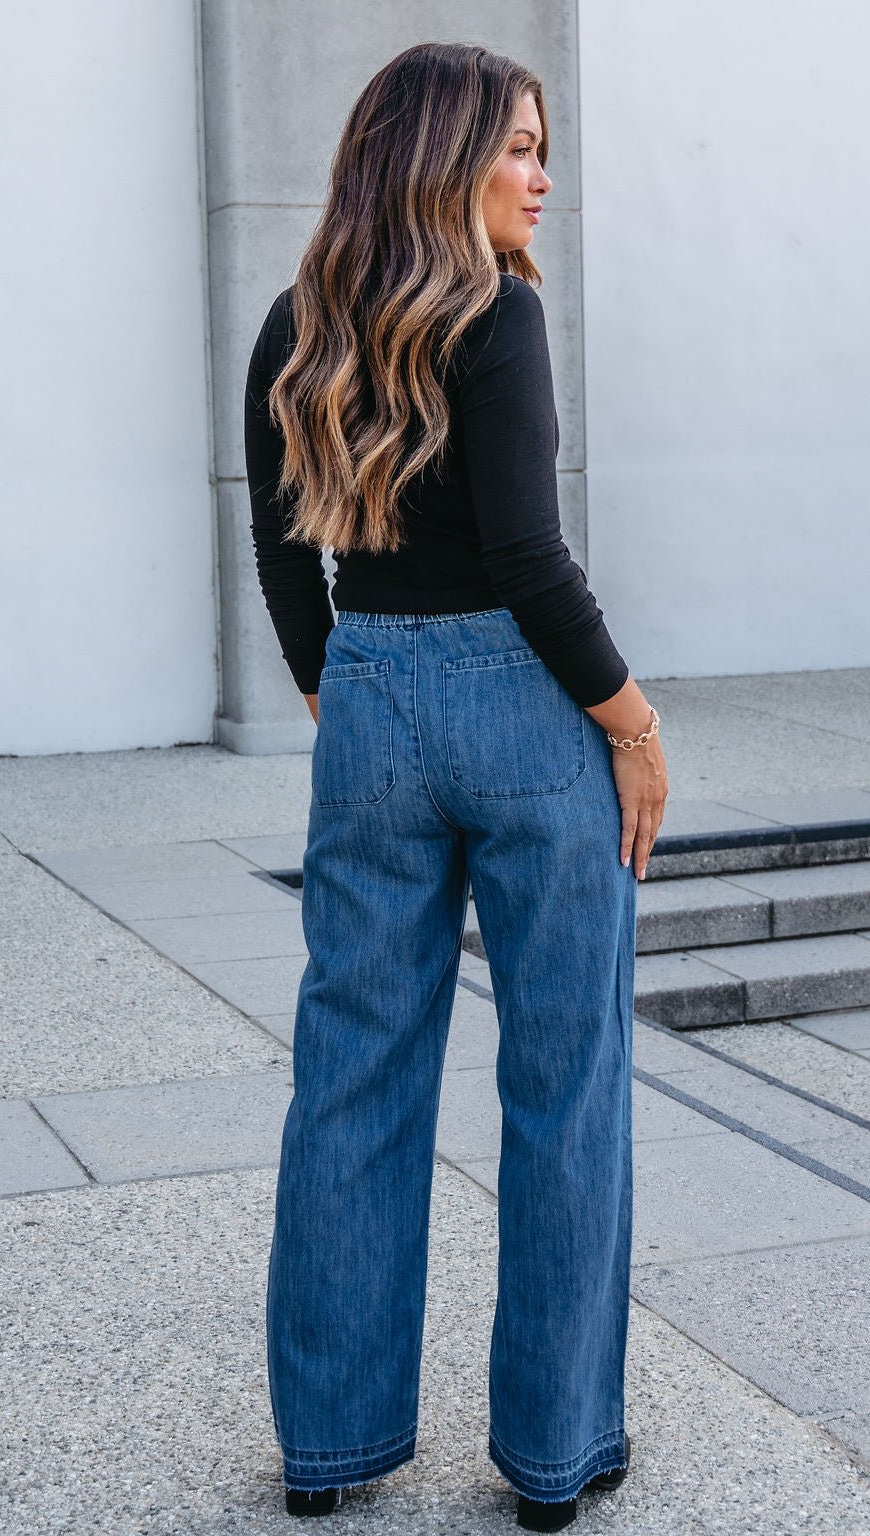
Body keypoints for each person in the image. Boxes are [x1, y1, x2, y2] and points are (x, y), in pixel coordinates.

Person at [243, 40, 668, 1532]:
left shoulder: (299, 319)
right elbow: (528, 558)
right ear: (442, 155)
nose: (544, 179)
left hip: (371, 693)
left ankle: (334, 1445)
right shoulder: (500, 316)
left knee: (352, 1073)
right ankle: (555, 1456)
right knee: (565, 1080)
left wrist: (344, 688)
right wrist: (631, 724)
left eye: (547, 150)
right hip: (524, 707)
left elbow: (288, 552)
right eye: (520, 151)